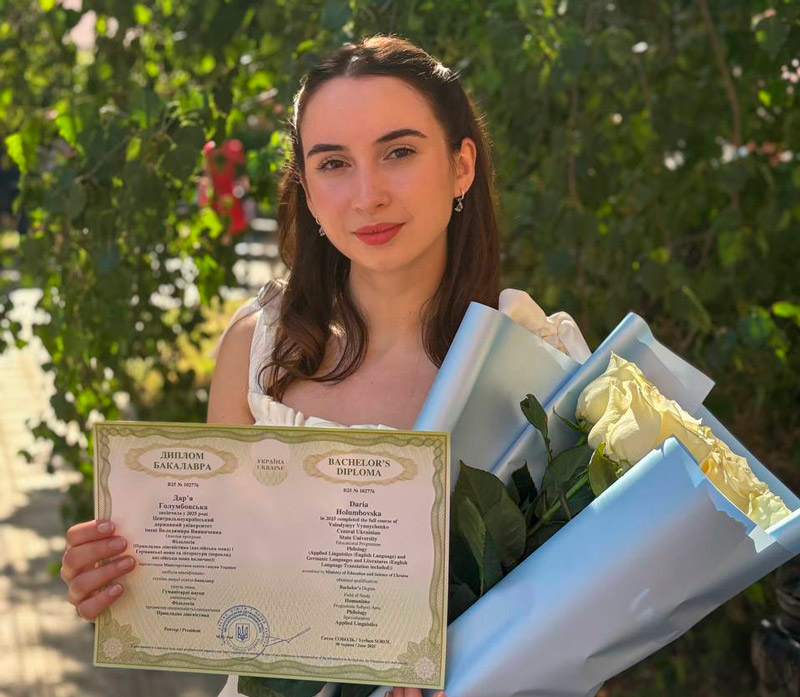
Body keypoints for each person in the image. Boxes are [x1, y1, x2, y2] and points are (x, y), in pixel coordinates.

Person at [59, 34, 589, 697]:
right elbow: (221, 576)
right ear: (307, 191)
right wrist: (123, 578)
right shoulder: (258, 349)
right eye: (334, 163)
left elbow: (585, 645)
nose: (367, 195)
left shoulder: (540, 362)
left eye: (398, 152)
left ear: (461, 166)